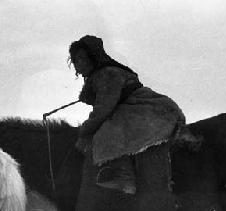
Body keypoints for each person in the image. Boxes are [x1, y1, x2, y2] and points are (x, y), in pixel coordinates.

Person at [69, 35, 194, 195]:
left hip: (149, 110)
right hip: (146, 109)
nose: (78, 64)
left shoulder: (108, 74)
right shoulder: (100, 76)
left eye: (81, 58)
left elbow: (104, 109)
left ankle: (125, 177)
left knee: (109, 133)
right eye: (75, 61)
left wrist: (85, 130)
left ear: (92, 56)